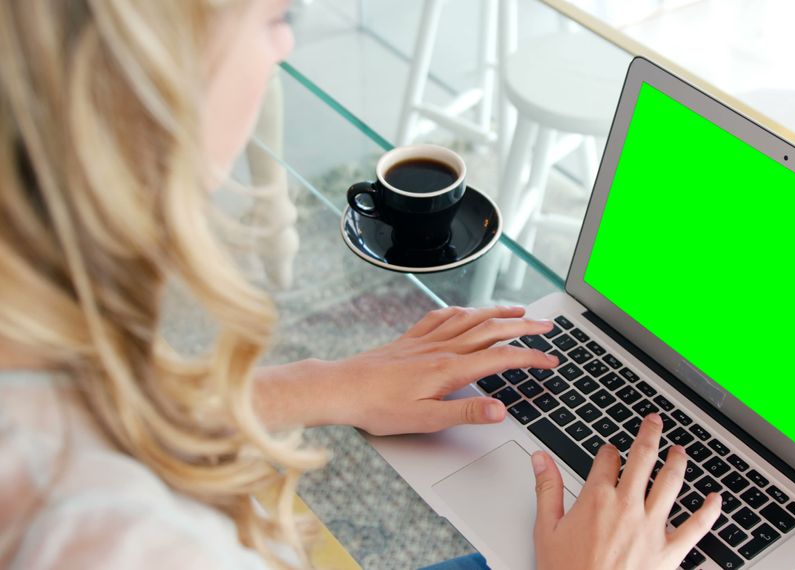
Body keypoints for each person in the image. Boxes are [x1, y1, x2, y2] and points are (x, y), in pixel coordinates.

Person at [0, 1, 723, 568]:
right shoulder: (120, 536)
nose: (285, 45)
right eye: (273, 19)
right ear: (141, 79)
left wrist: (320, 384)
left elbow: (79, 412)